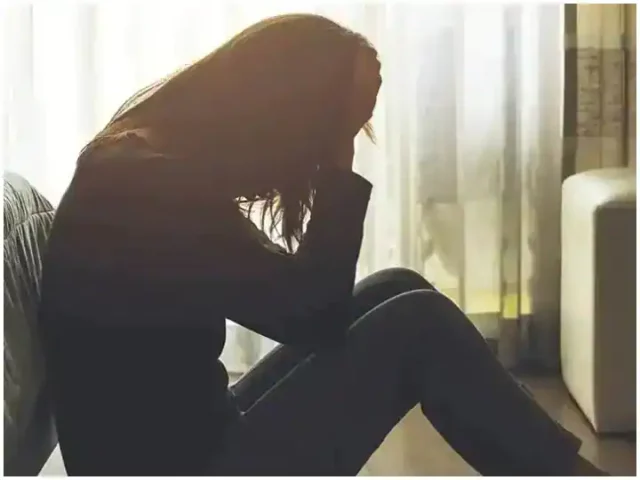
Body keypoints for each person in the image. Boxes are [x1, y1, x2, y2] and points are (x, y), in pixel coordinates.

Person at [37, 13, 606, 476]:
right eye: (320, 134)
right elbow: (313, 314)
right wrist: (339, 156)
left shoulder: (141, 161)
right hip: (183, 469)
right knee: (419, 326)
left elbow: (298, 305)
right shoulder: (152, 185)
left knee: (399, 288)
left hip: (182, 446)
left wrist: (338, 123)